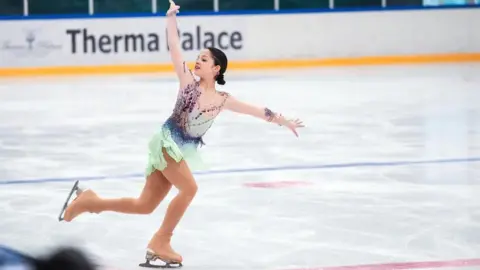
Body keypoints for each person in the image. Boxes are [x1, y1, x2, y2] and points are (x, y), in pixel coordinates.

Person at [58, 0, 304, 268]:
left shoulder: (223, 99)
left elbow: (258, 111)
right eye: (198, 57)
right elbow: (175, 47)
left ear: (216, 69)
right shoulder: (188, 83)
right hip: (166, 144)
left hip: (176, 149)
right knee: (190, 188)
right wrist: (170, 19)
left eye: (204, 59)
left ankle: (90, 201)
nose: (198, 61)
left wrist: (284, 121)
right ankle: (160, 241)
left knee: (145, 205)